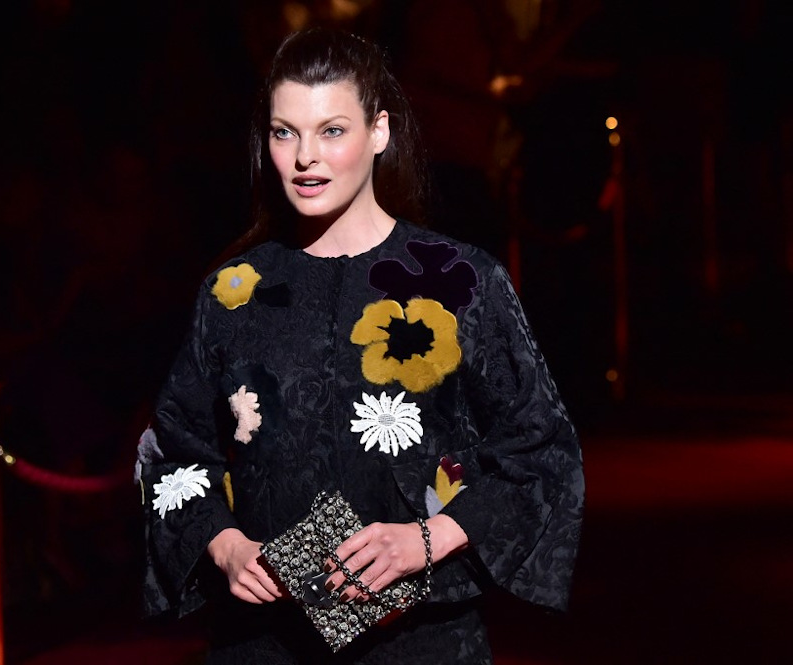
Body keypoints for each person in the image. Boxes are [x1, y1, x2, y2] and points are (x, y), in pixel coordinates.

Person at [138, 27, 584, 664]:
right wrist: (225, 545)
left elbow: (541, 452)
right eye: (284, 131)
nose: (304, 158)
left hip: (420, 639)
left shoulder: (461, 282)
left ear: (380, 131)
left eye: (332, 130)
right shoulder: (232, 293)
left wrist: (426, 540)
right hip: (262, 640)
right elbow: (174, 453)